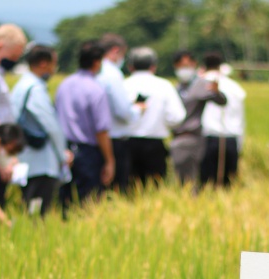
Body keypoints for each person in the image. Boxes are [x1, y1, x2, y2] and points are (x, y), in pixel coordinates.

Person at [11, 44, 73, 217]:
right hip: (40, 163)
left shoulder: (22, 85)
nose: (54, 70)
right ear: (44, 63)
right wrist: (62, 155)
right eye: (54, 64)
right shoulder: (35, 89)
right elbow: (51, 126)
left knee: (30, 208)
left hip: (26, 158)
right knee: (36, 213)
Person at [56, 40, 115, 211]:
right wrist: (109, 161)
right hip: (88, 153)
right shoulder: (96, 89)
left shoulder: (64, 85)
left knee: (65, 201)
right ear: (97, 62)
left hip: (65, 150)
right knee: (88, 204)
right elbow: (101, 130)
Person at [123, 47, 186, 187]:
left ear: (130, 66)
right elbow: (177, 116)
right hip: (155, 145)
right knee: (154, 187)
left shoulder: (123, 85)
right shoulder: (164, 85)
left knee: (129, 188)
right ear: (153, 66)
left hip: (127, 144)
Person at [170, 50, 226, 186]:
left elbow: (221, 100)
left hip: (192, 136)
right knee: (179, 177)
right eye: (180, 66)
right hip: (176, 137)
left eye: (187, 65)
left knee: (190, 178)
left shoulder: (201, 84)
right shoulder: (177, 87)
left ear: (194, 64)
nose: (184, 69)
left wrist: (216, 91)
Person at [96, 33, 144, 194]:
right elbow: (123, 112)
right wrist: (138, 109)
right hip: (115, 139)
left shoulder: (94, 70)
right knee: (116, 189)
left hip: (94, 140)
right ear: (115, 51)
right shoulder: (112, 74)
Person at [200, 52, 246, 188]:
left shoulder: (200, 84)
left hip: (208, 140)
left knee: (206, 184)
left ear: (204, 66)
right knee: (228, 185)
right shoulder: (235, 87)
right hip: (231, 140)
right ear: (220, 66)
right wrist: (240, 144)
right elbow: (241, 119)